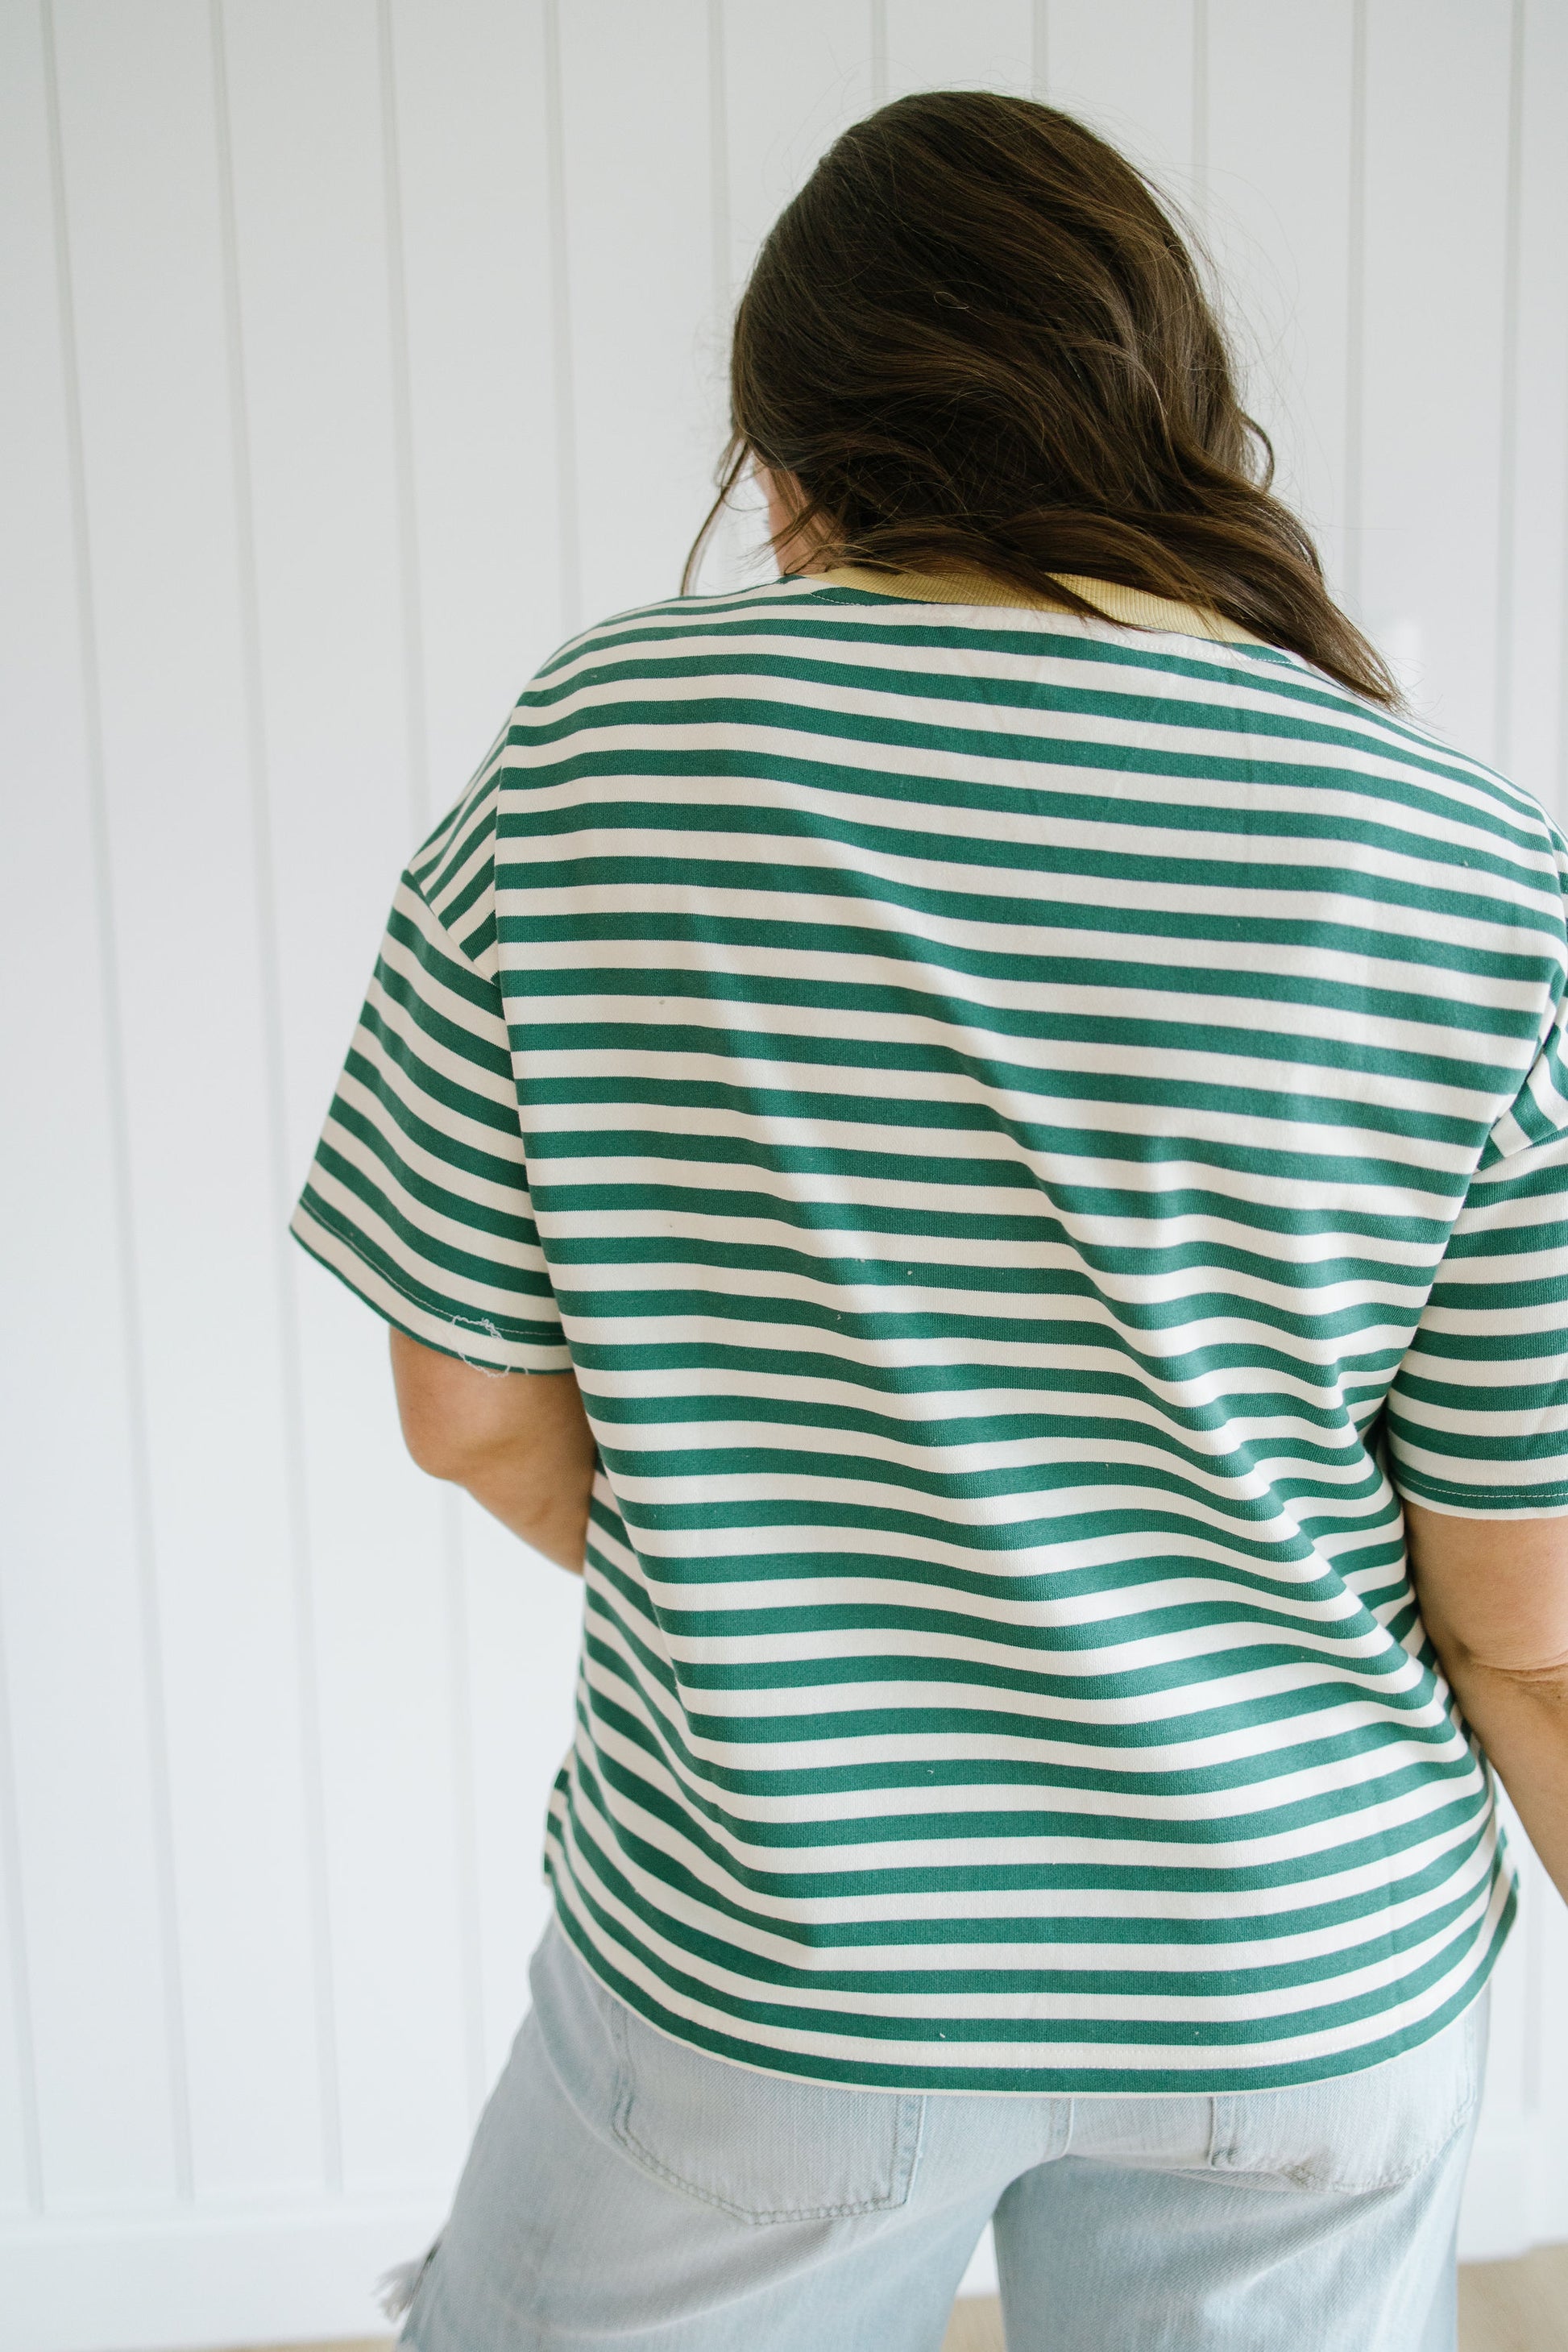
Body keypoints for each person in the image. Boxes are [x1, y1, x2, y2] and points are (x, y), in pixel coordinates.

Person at [291, 90, 1568, 2352]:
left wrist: (804, 1600)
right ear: (1167, 412)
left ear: (790, 453)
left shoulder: (601, 751)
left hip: (776, 1955)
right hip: (1299, 1972)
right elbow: (1524, 1616)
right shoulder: (1469, 860)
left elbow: (464, 1413)